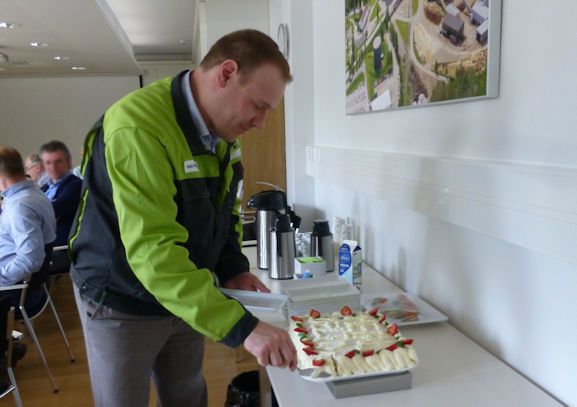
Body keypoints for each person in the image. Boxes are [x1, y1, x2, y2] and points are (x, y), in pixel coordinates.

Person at [69, 29, 297, 407]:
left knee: (187, 395)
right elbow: (154, 252)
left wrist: (232, 268)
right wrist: (244, 329)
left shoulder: (224, 133)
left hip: (186, 291)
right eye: (258, 106)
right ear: (226, 73)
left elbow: (226, 212)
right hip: (120, 299)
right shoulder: (138, 126)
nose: (261, 123)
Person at [0, 146, 56, 323]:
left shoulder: (19, 207)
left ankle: (7, 347)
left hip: (17, 293)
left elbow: (30, 259)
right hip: (22, 285)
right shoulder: (33, 194)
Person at [39, 140, 82, 247]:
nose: (53, 167)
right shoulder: (43, 188)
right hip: (42, 246)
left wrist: (44, 208)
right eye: (48, 163)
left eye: (58, 161)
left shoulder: (76, 185)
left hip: (60, 248)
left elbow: (53, 210)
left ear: (68, 161)